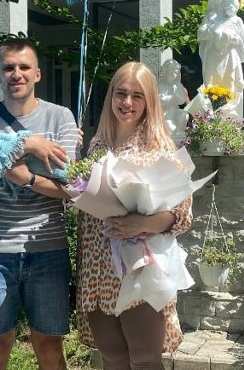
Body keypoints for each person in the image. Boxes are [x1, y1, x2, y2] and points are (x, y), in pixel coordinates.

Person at [0, 37, 77, 370]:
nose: (16, 74)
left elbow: (70, 187)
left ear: (37, 74)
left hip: (47, 246)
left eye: (24, 67)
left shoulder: (60, 117)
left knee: (49, 345)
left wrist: (24, 177)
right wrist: (28, 144)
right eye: (8, 68)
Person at [77, 61, 193, 370]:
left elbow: (182, 214)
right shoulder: (97, 146)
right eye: (121, 93)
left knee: (144, 360)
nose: (127, 102)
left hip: (140, 270)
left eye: (137, 96)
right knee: (112, 358)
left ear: (149, 101)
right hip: (98, 268)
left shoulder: (160, 149)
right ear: (111, 96)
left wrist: (143, 223)